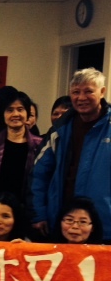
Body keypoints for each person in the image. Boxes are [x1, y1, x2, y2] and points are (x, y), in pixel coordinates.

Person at [31, 68, 111, 241]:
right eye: (76, 92)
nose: (81, 98)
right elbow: (39, 175)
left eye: (88, 91)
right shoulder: (59, 129)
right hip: (62, 224)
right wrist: (39, 213)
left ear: (102, 92)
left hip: (105, 226)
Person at [0, 89, 41, 204]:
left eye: (20, 109)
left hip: (27, 209)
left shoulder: (39, 145)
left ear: (27, 113)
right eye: (10, 110)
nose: (15, 114)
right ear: (3, 114)